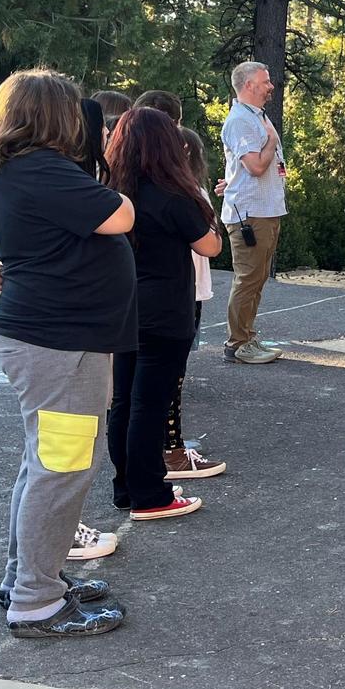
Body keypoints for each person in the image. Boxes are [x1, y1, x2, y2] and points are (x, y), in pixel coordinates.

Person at [0, 69, 133, 638]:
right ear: (53, 117)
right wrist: (115, 171)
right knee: (62, 470)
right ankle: (37, 601)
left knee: (45, 465)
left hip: (52, 342)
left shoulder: (13, 171)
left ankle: (30, 578)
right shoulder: (41, 169)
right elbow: (121, 215)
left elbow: (36, 249)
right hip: (59, 346)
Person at [105, 109, 219, 521]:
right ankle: (151, 493)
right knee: (150, 404)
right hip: (167, 311)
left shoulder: (112, 191)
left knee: (123, 402)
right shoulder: (173, 196)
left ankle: (125, 486)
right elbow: (210, 247)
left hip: (123, 308)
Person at [167, 127, 227, 480]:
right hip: (181, 293)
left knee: (156, 381)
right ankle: (171, 452)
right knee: (169, 377)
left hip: (178, 291)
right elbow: (210, 243)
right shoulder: (184, 193)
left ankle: (165, 450)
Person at [219, 61, 287, 365]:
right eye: (265, 81)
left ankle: (246, 336)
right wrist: (272, 142)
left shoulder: (256, 116)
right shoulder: (241, 121)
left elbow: (244, 167)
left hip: (266, 209)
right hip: (250, 214)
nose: (271, 86)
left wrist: (230, 180)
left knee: (258, 278)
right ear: (248, 85)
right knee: (248, 278)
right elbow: (257, 166)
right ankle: (237, 343)